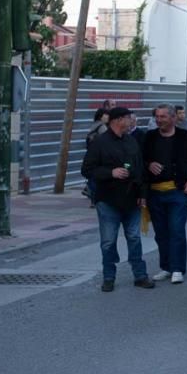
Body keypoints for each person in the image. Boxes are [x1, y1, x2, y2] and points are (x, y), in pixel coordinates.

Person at [80, 106, 154, 292]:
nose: (132, 121)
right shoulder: (100, 143)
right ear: (118, 120)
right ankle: (108, 277)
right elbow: (87, 169)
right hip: (108, 200)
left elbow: (140, 170)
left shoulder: (131, 141)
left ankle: (140, 275)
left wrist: (142, 195)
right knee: (108, 241)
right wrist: (110, 172)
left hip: (132, 199)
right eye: (129, 118)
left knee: (134, 238)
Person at [143, 104, 187, 285]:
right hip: (155, 193)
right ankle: (166, 267)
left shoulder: (184, 137)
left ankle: (177, 268)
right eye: (157, 116)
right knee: (161, 233)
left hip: (177, 192)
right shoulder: (150, 137)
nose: (159, 120)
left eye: (163, 117)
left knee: (176, 230)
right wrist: (149, 164)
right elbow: (139, 158)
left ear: (173, 118)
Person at [82, 108, 110, 203]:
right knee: (97, 177)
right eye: (106, 115)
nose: (108, 117)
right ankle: (93, 195)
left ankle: (89, 190)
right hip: (99, 155)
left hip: (92, 153)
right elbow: (106, 140)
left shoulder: (94, 125)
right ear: (101, 116)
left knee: (93, 176)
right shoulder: (102, 127)